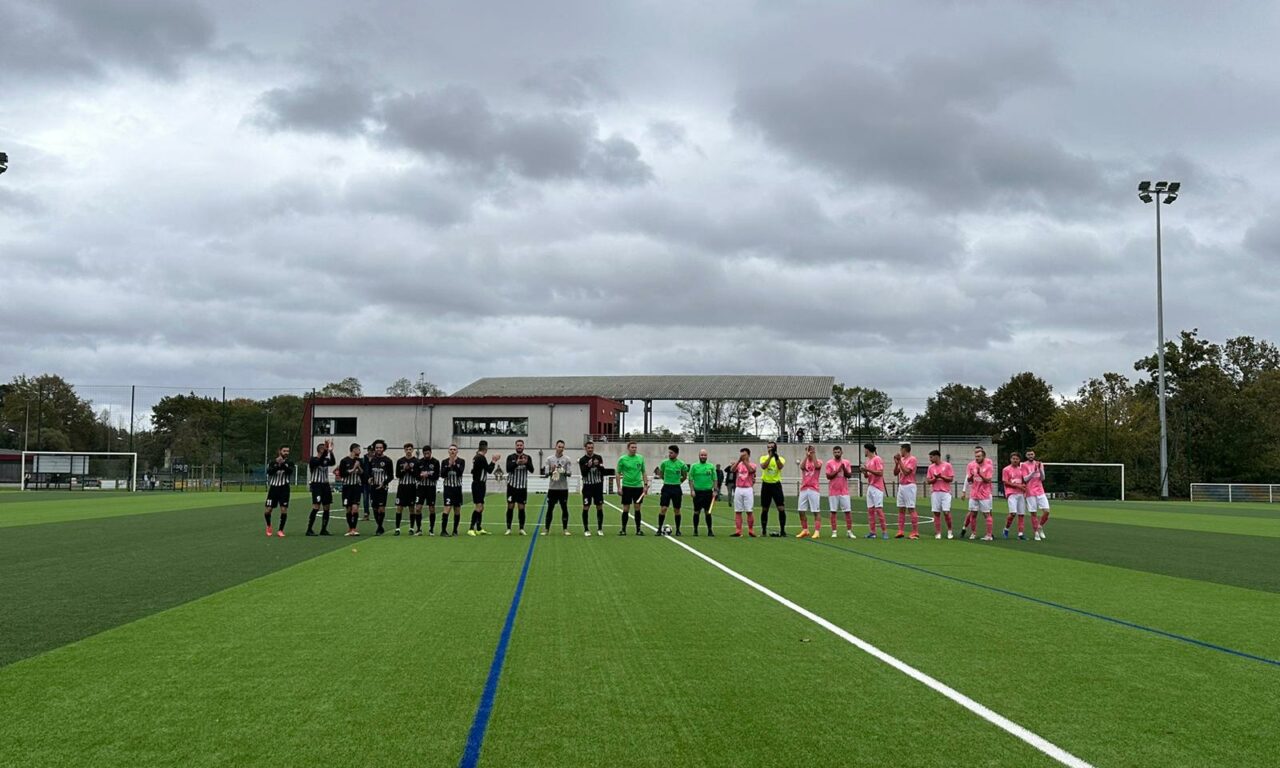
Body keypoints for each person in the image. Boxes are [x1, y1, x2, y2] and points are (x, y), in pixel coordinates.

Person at [961, 446, 995, 541]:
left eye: (979, 456)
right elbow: (969, 479)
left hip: (984, 494)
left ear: (983, 456)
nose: (977, 458)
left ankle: (989, 535)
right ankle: (973, 533)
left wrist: (980, 474)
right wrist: (971, 477)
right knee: (973, 514)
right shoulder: (971, 465)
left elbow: (988, 480)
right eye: (976, 456)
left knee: (987, 514)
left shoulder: (988, 466)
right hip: (974, 494)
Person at [656, 444, 688, 536]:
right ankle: (659, 529)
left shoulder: (681, 464)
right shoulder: (664, 463)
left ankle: (678, 530)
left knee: (677, 509)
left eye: (671, 453)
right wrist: (667, 481)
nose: (669, 454)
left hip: (676, 488)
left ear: (676, 454)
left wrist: (678, 482)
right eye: (669, 452)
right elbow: (661, 474)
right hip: (666, 487)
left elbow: (684, 476)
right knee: (663, 508)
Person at [306, 440, 336, 536]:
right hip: (316, 485)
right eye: (324, 449)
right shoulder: (313, 459)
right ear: (320, 450)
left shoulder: (326, 460)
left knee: (327, 507)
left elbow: (333, 462)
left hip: (325, 485)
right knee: (316, 506)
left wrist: (331, 452)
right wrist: (326, 451)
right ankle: (309, 529)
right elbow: (318, 461)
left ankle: (324, 529)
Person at [468, 441, 499, 536]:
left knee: (481, 507)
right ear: (486, 449)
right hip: (478, 484)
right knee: (479, 506)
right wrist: (494, 461)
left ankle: (479, 528)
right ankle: (471, 528)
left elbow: (473, 470)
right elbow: (489, 470)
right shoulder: (480, 458)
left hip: (480, 484)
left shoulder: (477, 457)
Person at [616, 441, 647, 536]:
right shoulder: (622, 459)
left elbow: (644, 472)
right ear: (628, 448)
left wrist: (645, 485)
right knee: (626, 509)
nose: (634, 449)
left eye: (635, 447)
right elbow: (618, 473)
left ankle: (638, 529)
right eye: (632, 447)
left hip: (638, 487)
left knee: (637, 508)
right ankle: (623, 529)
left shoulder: (640, 458)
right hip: (627, 487)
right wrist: (619, 487)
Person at [505, 439, 535, 535]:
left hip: (522, 487)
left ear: (523, 446)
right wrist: (517, 463)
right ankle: (508, 528)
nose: (519, 447)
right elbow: (508, 469)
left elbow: (532, 470)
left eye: (521, 445)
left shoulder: (528, 457)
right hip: (512, 487)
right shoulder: (510, 457)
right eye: (517, 445)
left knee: (521, 508)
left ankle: (521, 528)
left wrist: (526, 463)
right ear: (515, 446)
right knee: (510, 506)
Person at [545, 440, 574, 535]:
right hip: (553, 488)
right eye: (559, 446)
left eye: (562, 447)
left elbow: (569, 473)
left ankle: (565, 529)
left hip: (563, 488)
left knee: (564, 508)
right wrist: (551, 470)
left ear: (564, 448)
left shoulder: (567, 459)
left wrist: (563, 471)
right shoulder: (549, 459)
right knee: (550, 508)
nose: (560, 449)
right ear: (555, 447)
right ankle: (546, 529)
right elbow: (545, 474)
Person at [825, 446, 855, 538]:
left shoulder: (846, 462)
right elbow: (828, 476)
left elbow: (849, 475)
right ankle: (834, 531)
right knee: (833, 511)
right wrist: (837, 470)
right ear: (833, 453)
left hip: (844, 491)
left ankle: (849, 531)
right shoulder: (829, 463)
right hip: (833, 491)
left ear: (842, 452)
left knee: (847, 511)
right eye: (835, 452)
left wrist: (844, 468)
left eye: (838, 452)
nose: (837, 454)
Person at [687, 449, 718, 536]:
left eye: (705, 455)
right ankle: (695, 530)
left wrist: (715, 490)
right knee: (696, 512)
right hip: (697, 493)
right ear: (699, 456)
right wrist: (692, 490)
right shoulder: (694, 466)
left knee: (708, 512)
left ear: (707, 456)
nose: (703, 457)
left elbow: (715, 479)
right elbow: (690, 479)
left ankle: (710, 530)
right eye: (702, 455)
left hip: (708, 492)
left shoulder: (711, 466)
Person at [335, 443, 364, 536]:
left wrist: (358, 467)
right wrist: (353, 468)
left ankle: (354, 529)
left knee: (355, 508)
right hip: (347, 487)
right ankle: (350, 528)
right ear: (354, 449)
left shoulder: (359, 460)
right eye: (358, 449)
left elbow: (362, 473)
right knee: (348, 509)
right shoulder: (344, 461)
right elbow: (342, 474)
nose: (359, 451)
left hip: (356, 487)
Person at [264, 445, 293, 537]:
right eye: (284, 451)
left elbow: (289, 471)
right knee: (268, 510)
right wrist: (277, 465)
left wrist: (283, 464)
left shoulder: (289, 462)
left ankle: (280, 530)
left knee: (284, 509)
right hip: (274, 488)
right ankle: (269, 525)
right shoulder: (273, 462)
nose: (286, 453)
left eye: (287, 451)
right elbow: (269, 472)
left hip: (284, 488)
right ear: (280, 451)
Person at [759, 441, 787, 536]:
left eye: (772, 447)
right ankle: (763, 530)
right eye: (768, 447)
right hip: (766, 485)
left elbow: (780, 467)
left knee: (781, 508)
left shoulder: (780, 458)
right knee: (765, 509)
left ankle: (782, 530)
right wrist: (770, 456)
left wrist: (775, 457)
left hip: (776, 485)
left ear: (775, 448)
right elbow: (763, 466)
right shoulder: (763, 458)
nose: (770, 449)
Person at [925, 450, 955, 539]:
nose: (930, 459)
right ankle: (938, 533)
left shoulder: (947, 465)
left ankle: (950, 531)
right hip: (935, 492)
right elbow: (928, 481)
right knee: (936, 513)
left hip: (945, 492)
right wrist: (935, 478)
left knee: (946, 512)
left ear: (937, 456)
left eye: (931, 457)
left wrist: (941, 476)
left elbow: (951, 479)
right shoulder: (930, 467)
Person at [579, 441, 606, 536]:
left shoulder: (598, 457)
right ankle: (586, 529)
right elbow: (583, 473)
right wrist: (588, 465)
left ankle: (600, 528)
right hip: (587, 486)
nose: (590, 449)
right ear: (585, 448)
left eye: (592, 447)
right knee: (586, 506)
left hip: (597, 486)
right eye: (588, 448)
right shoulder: (582, 460)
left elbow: (603, 471)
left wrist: (598, 465)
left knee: (599, 506)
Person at [366, 440, 393, 535]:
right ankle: (380, 526)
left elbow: (391, 476)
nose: (378, 449)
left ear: (383, 448)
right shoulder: (371, 460)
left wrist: (384, 483)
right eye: (377, 447)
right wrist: (369, 478)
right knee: (374, 508)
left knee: (381, 508)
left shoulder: (388, 461)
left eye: (380, 447)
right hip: (373, 487)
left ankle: (379, 528)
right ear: (374, 448)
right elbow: (369, 472)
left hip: (383, 487)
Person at [796, 444, 823, 538]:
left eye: (811, 450)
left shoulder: (818, 461)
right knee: (801, 510)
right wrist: (806, 456)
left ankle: (817, 531)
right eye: (808, 450)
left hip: (814, 489)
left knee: (816, 511)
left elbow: (817, 466)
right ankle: (805, 530)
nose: (810, 452)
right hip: (804, 488)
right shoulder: (805, 461)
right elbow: (802, 467)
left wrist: (813, 454)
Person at [894, 442, 920, 540]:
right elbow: (895, 473)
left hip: (909, 485)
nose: (900, 452)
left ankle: (915, 531)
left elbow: (906, 472)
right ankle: (900, 531)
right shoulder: (902, 460)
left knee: (911, 508)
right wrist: (897, 464)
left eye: (901, 450)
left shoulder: (912, 459)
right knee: (901, 508)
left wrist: (900, 461)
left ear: (905, 450)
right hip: (902, 485)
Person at [439, 444, 467, 536]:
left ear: (457, 451)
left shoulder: (461, 461)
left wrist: (454, 465)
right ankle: (443, 530)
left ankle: (455, 530)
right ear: (448, 451)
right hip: (448, 488)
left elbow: (460, 473)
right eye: (451, 449)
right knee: (447, 508)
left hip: (457, 488)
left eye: (454, 449)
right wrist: (448, 466)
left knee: (457, 509)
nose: (452, 451)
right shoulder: (444, 462)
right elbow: (442, 475)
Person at [862, 443, 888, 539]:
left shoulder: (877, 459)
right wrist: (865, 472)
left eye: (865, 450)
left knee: (879, 510)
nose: (864, 452)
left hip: (877, 487)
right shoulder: (868, 460)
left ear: (868, 450)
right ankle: (872, 532)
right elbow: (868, 476)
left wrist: (867, 469)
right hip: (870, 486)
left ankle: (884, 532)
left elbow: (880, 473)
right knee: (870, 510)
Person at [1023, 449, 1050, 540]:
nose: (1031, 456)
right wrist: (1033, 472)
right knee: (1033, 513)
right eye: (1029, 454)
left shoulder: (1039, 463)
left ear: (1034, 454)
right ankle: (1036, 533)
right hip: (1030, 492)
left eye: (1032, 454)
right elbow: (1025, 479)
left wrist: (1040, 469)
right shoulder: (1024, 465)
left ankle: (1040, 526)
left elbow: (1043, 478)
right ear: (1026, 455)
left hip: (1040, 491)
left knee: (1046, 511)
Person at [730, 448, 757, 538]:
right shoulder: (739, 464)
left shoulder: (752, 464)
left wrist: (745, 461)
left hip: (748, 488)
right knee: (738, 511)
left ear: (748, 455)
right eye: (741, 455)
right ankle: (738, 530)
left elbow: (751, 470)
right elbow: (732, 470)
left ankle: (751, 530)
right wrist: (739, 460)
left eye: (744, 455)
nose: (742, 457)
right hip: (738, 488)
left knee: (749, 511)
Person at [1002, 452, 1028, 540]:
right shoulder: (1006, 469)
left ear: (1019, 460)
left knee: (1021, 514)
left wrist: (1024, 486)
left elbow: (1024, 480)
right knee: (1013, 513)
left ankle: (1020, 534)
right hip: (1011, 493)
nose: (1015, 460)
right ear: (1010, 459)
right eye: (1013, 459)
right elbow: (1005, 482)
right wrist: (1018, 486)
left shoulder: (1021, 469)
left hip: (1020, 493)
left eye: (1017, 459)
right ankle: (1006, 529)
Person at [394, 443, 419, 536]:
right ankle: (397, 528)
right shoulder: (400, 461)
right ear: (404, 450)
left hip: (412, 487)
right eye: (407, 449)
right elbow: (397, 475)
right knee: (399, 507)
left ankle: (412, 528)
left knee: (412, 508)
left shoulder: (416, 461)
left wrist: (410, 470)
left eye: (410, 449)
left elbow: (417, 475)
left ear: (412, 450)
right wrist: (404, 470)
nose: (408, 451)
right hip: (402, 487)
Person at [416, 446, 439, 536]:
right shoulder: (419, 462)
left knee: (432, 508)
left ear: (430, 452)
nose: (426, 454)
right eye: (425, 453)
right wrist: (421, 475)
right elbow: (416, 476)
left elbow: (436, 476)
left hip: (431, 488)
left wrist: (428, 475)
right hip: (421, 488)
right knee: (418, 508)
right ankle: (419, 529)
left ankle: (431, 529)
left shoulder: (435, 462)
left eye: (428, 453)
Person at [360, 448, 372, 521]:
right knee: (365, 499)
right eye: (370, 450)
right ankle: (366, 513)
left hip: (374, 482)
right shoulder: (363, 460)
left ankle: (377, 513)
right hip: (365, 482)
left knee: (373, 499)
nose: (371, 452)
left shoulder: (376, 459)